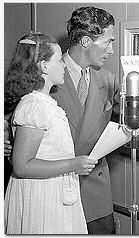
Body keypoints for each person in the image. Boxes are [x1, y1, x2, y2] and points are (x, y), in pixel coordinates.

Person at [48, 6, 139, 234]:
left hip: (94, 191)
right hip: (54, 187)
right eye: (107, 42)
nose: (111, 49)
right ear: (87, 41)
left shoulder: (109, 81)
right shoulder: (46, 77)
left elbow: (125, 128)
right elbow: (20, 120)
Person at [4, 32, 98, 234]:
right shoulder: (34, 106)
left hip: (53, 192)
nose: (64, 65)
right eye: (59, 60)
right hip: (40, 197)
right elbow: (22, 166)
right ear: (43, 66)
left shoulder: (45, 103)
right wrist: (73, 164)